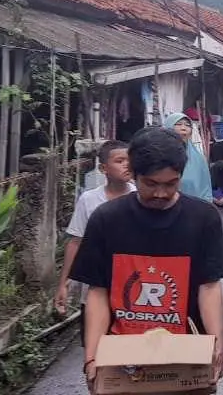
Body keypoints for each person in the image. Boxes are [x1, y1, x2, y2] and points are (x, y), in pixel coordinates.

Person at [71, 127, 223, 389]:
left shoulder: (203, 218)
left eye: (171, 183)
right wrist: (91, 357)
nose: (161, 193)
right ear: (134, 175)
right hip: (123, 359)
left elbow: (209, 285)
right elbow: (98, 292)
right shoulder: (106, 219)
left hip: (186, 355)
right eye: (151, 184)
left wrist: (217, 343)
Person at [53, 140, 134, 333]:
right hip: (96, 283)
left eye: (130, 160)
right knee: (95, 344)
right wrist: (63, 284)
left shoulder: (141, 197)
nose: (127, 165)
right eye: (120, 160)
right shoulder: (89, 200)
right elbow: (76, 242)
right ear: (103, 168)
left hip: (132, 282)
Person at [165, 112, 213, 201]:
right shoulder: (159, 155)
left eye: (187, 125)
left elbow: (206, 189)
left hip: (193, 209)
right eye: (178, 124)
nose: (183, 128)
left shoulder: (199, 159)